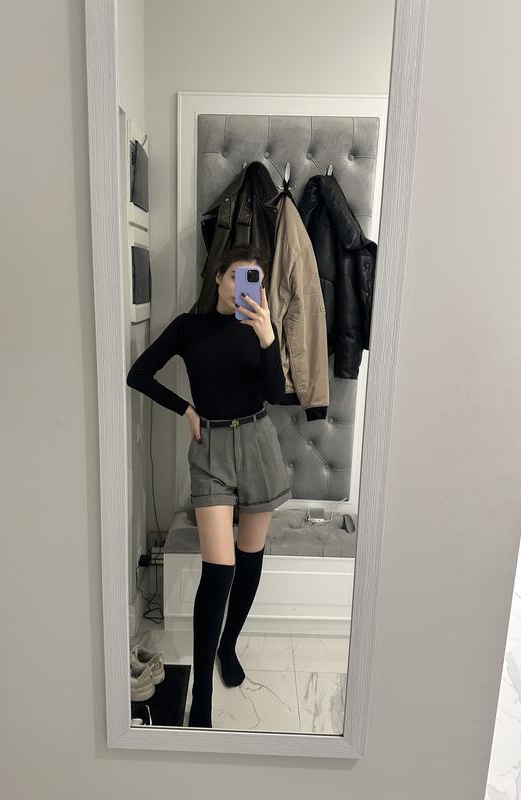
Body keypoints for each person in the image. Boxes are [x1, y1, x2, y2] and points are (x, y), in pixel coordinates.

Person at [126, 245, 292, 728]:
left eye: (254, 279)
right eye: (237, 275)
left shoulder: (261, 327)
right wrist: (185, 409)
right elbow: (139, 374)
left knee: (250, 558)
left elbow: (276, 394)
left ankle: (228, 645)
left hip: (259, 444)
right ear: (219, 277)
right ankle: (201, 695)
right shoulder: (188, 327)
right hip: (211, 450)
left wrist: (268, 338)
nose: (244, 287)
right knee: (218, 572)